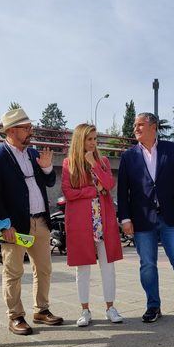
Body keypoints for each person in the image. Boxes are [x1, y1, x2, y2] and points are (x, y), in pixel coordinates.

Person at [117, 112, 174, 323]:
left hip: (171, 216)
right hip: (141, 219)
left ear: (153, 126)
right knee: (147, 264)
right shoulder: (128, 156)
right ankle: (153, 306)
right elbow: (123, 191)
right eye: (134, 126)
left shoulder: (172, 149)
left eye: (140, 125)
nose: (136, 129)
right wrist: (125, 219)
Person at [0, 107, 63, 335]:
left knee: (44, 269)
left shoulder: (33, 154)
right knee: (14, 271)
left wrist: (47, 167)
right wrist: (3, 225)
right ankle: (16, 316)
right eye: (26, 127)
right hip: (15, 225)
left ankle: (41, 310)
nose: (31, 131)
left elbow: (49, 182)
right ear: (11, 130)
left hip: (40, 222)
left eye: (30, 126)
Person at [62, 124, 124, 327]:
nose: (93, 143)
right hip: (81, 223)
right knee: (83, 268)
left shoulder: (103, 161)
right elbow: (69, 193)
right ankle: (85, 310)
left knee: (108, 267)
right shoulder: (68, 163)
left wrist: (94, 166)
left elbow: (108, 185)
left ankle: (110, 308)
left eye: (95, 139)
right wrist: (92, 190)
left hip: (103, 221)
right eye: (89, 139)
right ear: (80, 140)